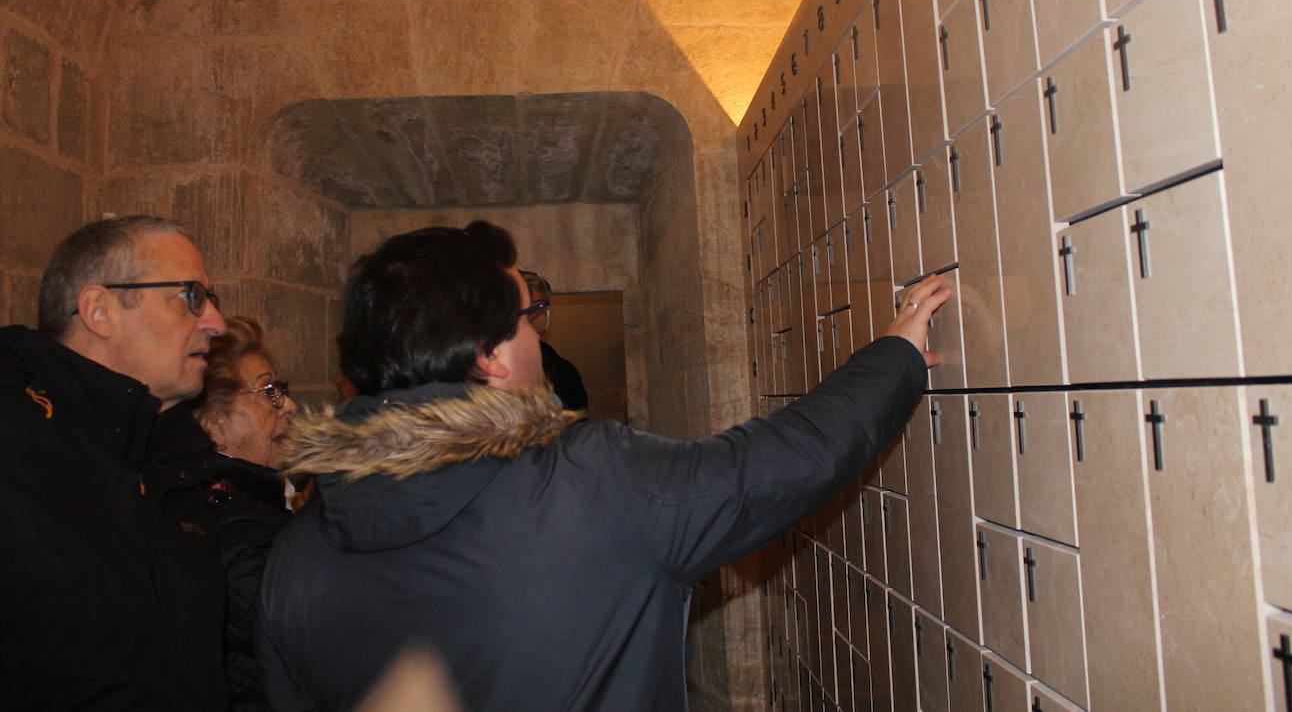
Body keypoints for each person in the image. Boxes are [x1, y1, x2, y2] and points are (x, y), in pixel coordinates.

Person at [256, 221, 949, 711]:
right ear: (491, 357)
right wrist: (897, 354)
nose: (540, 332)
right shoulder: (588, 478)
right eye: (529, 319)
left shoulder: (293, 558)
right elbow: (776, 464)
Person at [0, 215, 229, 710]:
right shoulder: (15, 449)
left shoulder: (172, 456)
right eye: (190, 296)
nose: (216, 322)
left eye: (211, 300)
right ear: (99, 311)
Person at [144, 316, 296, 712]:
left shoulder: (240, 507)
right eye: (269, 392)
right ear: (214, 428)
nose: (290, 405)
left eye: (281, 389)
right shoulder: (237, 535)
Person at [519, 269, 588, 409]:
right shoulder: (482, 365)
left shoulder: (561, 369)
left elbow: (576, 418)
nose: (537, 315)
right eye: (530, 308)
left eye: (541, 307)